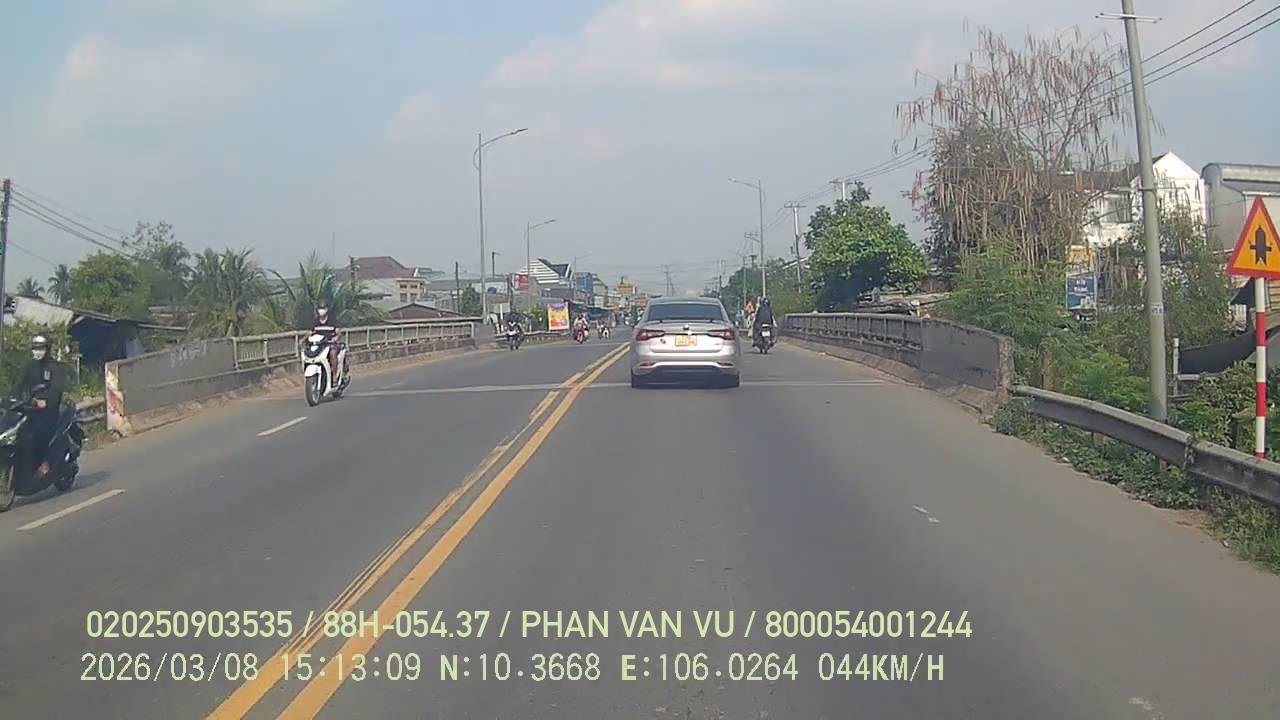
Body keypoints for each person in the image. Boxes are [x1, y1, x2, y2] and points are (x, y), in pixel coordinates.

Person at [12, 335, 66, 478]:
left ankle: (45, 462)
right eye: (35, 348)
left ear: (47, 349)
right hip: (30, 408)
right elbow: (18, 385)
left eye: (41, 348)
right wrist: (13, 399)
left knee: (40, 433)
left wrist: (45, 401)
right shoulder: (29, 365)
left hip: (49, 410)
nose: (38, 351)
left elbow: (56, 389)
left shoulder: (53, 366)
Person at [312, 305, 347, 382]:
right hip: (320, 345)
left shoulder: (332, 321)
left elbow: (339, 333)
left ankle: (334, 375)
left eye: (323, 308)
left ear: (327, 309)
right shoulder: (316, 321)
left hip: (331, 344)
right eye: (320, 308)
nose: (321, 311)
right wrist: (303, 339)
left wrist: (336, 338)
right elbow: (311, 332)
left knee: (332, 353)